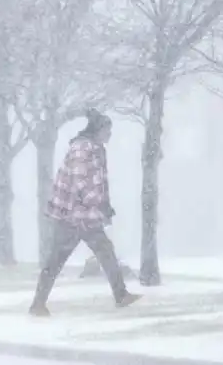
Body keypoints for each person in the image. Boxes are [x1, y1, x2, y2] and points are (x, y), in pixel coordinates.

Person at [29, 109, 140, 317]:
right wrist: (96, 204)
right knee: (57, 259)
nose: (110, 134)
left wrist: (104, 205)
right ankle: (37, 304)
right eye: (108, 130)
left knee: (103, 252)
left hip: (84, 215)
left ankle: (121, 295)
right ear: (98, 130)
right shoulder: (82, 149)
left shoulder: (96, 148)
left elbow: (99, 182)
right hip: (73, 216)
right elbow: (81, 182)